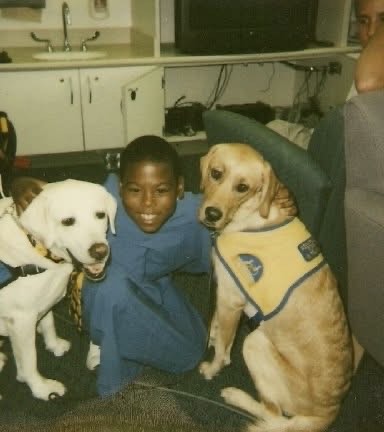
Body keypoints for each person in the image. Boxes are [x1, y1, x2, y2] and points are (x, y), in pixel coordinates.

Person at [266, 0, 384, 148]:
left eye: (383, 19)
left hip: (336, 156)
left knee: (268, 137)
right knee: (275, 128)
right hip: (330, 141)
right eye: (363, 21)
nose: (371, 31)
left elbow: (366, 84)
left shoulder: (370, 74)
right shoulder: (370, 59)